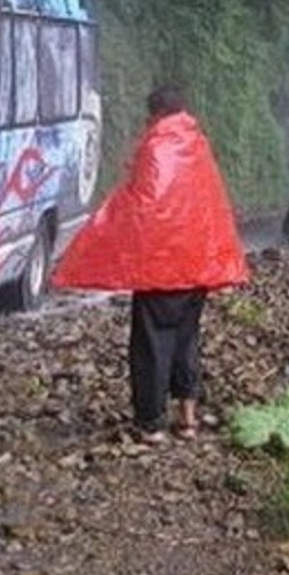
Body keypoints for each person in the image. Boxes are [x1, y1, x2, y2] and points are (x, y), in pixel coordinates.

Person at [52, 84, 250, 443]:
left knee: (151, 344)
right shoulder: (198, 145)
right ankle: (188, 419)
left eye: (149, 116)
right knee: (187, 339)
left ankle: (152, 424)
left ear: (157, 114)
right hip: (198, 269)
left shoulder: (157, 147)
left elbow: (142, 205)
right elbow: (211, 206)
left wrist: (105, 229)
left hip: (161, 270)